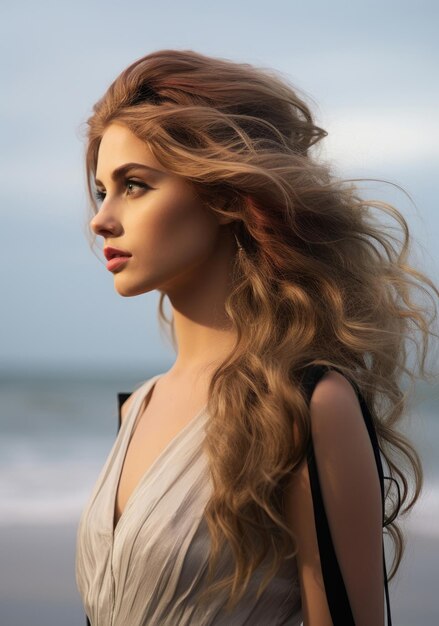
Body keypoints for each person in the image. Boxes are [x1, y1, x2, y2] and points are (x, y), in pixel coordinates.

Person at [75, 49, 438, 626]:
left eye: (135, 185)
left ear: (221, 194)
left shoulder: (309, 404)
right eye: (102, 191)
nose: (102, 219)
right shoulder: (137, 409)